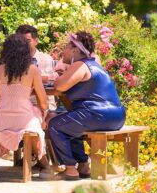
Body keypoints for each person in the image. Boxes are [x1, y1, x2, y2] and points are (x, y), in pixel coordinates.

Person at [48, 31, 126, 180]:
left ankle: (70, 169)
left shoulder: (80, 65)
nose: (63, 51)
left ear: (76, 50)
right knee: (70, 124)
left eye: (66, 47)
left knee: (55, 125)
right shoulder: (94, 65)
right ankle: (83, 165)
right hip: (117, 116)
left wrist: (61, 74)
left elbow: (59, 86)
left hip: (98, 114)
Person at [0, 34, 53, 179]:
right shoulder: (32, 70)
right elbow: (43, 101)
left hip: (2, 120)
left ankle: (37, 162)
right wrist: (44, 114)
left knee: (33, 118)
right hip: (23, 118)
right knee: (37, 118)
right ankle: (44, 164)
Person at [15, 25, 56, 110]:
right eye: (20, 41)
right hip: (19, 104)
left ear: (36, 41)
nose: (24, 44)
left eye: (27, 41)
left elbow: (47, 83)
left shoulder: (45, 58)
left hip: (42, 105)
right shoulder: (12, 61)